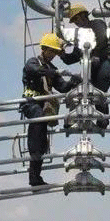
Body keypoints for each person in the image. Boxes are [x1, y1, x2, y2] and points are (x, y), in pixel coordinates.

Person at [21, 33, 80, 187]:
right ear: (44, 49)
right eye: (51, 51)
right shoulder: (33, 62)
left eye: (55, 52)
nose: (53, 55)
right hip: (31, 103)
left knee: (41, 141)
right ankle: (33, 175)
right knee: (38, 125)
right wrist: (55, 72)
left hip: (43, 106)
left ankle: (36, 177)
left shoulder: (51, 68)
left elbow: (62, 87)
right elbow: (34, 70)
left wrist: (73, 81)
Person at [60, 3, 110, 94]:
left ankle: (101, 106)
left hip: (104, 61)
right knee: (84, 91)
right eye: (73, 20)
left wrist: (95, 56)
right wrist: (60, 52)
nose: (76, 22)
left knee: (99, 92)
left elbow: (102, 39)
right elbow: (72, 58)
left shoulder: (97, 24)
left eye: (76, 18)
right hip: (90, 66)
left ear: (83, 15)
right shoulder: (79, 35)